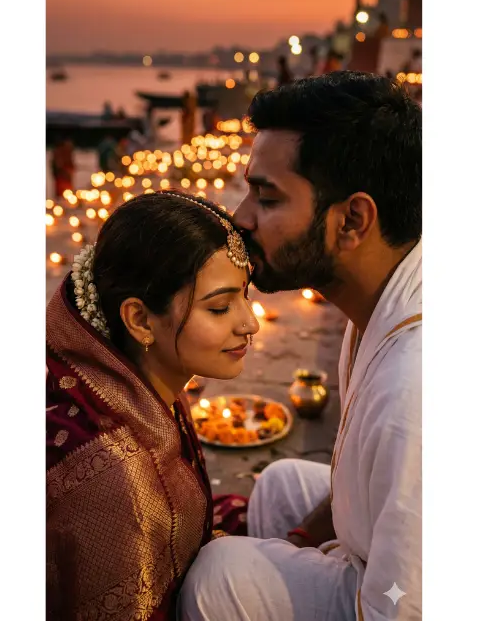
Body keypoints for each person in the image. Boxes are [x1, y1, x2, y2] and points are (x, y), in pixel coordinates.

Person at [178, 72, 423, 620]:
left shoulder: (415, 388)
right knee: (281, 483)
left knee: (219, 577)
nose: (241, 217)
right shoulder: (380, 299)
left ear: (352, 220)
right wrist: (303, 539)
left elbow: (403, 608)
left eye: (267, 197)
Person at [46, 190, 262, 620]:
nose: (250, 323)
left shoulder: (135, 377)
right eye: (220, 308)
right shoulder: (120, 482)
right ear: (141, 320)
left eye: (245, 295)